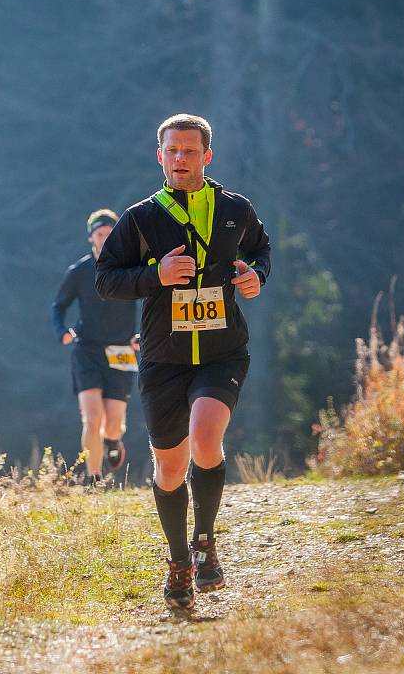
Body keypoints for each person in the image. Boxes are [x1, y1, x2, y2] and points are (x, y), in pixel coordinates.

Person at [96, 114, 270, 610]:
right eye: (171, 152)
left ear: (206, 155)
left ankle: (206, 538)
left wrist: (256, 275)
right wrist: (156, 274)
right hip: (163, 358)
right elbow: (106, 280)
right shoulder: (140, 218)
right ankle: (179, 562)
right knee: (170, 470)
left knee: (207, 436)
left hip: (222, 351)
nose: (180, 160)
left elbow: (261, 250)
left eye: (189, 152)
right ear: (160, 156)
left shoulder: (235, 209)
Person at [52, 209, 139, 485]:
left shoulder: (129, 267)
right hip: (86, 349)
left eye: (110, 235)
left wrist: (141, 334)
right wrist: (61, 331)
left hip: (121, 350)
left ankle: (113, 442)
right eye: (100, 235)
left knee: (113, 421)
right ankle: (93, 477)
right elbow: (59, 305)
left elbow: (151, 297)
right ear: (91, 237)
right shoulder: (79, 271)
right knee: (92, 416)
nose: (105, 240)